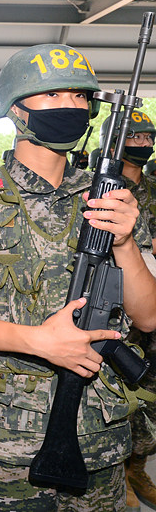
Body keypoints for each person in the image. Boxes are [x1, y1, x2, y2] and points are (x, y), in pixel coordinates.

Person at [0, 43, 156, 509]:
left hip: (99, 433)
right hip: (3, 433)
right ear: (15, 109)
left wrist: (126, 243)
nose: (70, 106)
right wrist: (39, 341)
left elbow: (148, 318)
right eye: (53, 95)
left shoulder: (114, 199)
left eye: (79, 97)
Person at [97, 109, 156, 509]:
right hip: (112, 308)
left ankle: (137, 467)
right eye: (134, 137)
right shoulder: (99, 187)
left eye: (148, 137)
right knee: (111, 399)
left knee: (147, 397)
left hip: (150, 303)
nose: (143, 144)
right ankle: (116, 474)